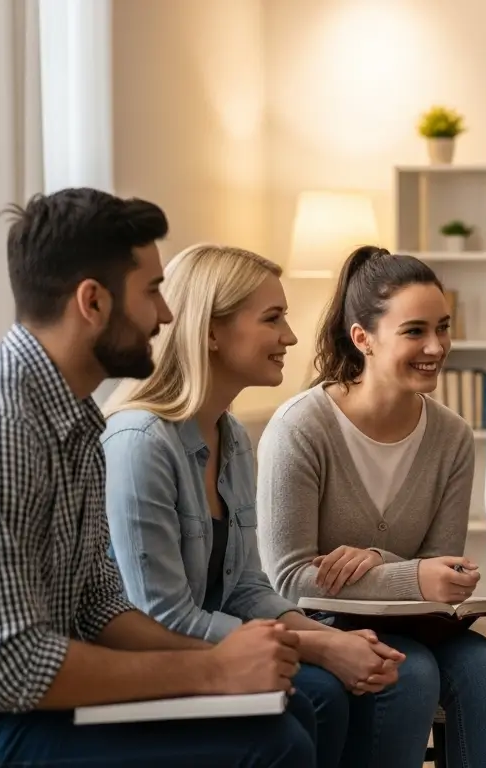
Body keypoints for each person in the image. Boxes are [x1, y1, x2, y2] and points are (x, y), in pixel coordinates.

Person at [0, 188, 312, 766]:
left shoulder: (76, 418)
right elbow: (9, 666)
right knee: (272, 744)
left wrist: (237, 664)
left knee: (287, 711)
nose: (164, 315)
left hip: (35, 704)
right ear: (93, 302)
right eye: (153, 291)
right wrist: (209, 670)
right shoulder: (3, 426)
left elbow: (100, 606)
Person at [99, 243, 431, 768]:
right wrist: (319, 647)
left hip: (220, 647)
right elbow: (161, 619)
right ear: (209, 330)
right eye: (273, 318)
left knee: (348, 685)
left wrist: (332, 639)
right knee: (316, 691)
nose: (291, 337)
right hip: (154, 667)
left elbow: (247, 587)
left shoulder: (231, 436)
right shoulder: (140, 443)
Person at [256, 246, 486, 768]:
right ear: (362, 338)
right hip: (318, 619)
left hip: (414, 622)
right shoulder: (301, 428)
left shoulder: (453, 436)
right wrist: (413, 576)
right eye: (415, 331)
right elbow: (287, 576)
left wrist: (379, 558)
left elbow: (438, 568)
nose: (437, 346)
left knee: (484, 663)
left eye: (443, 327)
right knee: (411, 670)